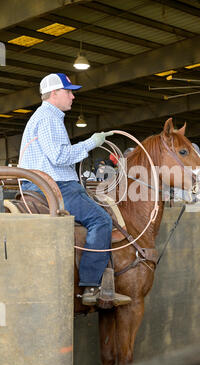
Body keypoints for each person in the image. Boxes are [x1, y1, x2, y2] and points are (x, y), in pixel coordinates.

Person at [19, 73, 131, 308]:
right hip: (55, 185)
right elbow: (59, 157)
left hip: (43, 183)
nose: (72, 95)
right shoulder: (48, 118)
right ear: (54, 93)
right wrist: (92, 142)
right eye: (68, 91)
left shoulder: (46, 117)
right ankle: (91, 285)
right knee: (101, 220)